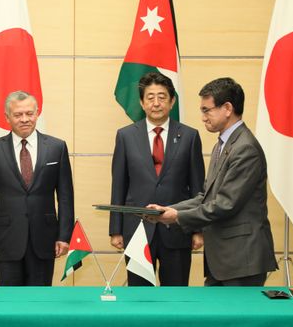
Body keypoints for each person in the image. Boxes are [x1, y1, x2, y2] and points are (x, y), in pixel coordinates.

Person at [150, 77, 278, 286]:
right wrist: (167, 209)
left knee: (237, 319)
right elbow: (206, 197)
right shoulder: (223, 145)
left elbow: (225, 204)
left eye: (206, 110)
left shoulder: (245, 148)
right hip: (225, 261)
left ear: (227, 108)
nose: (203, 117)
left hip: (241, 260)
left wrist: (177, 217)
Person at [109, 72, 205, 286]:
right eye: (150, 97)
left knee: (176, 295)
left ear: (172, 101)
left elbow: (198, 187)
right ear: (142, 103)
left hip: (178, 229)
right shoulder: (125, 136)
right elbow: (119, 185)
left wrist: (198, 229)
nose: (156, 103)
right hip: (138, 229)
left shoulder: (190, 136)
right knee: (139, 298)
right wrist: (116, 229)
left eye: (162, 97)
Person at [0, 90, 74, 286]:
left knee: (40, 303)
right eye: (18, 114)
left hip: (44, 239)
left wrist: (64, 236)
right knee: (8, 303)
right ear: (7, 117)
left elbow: (65, 196)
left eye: (29, 113)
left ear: (37, 114)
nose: (24, 119)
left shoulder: (57, 147)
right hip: (6, 240)